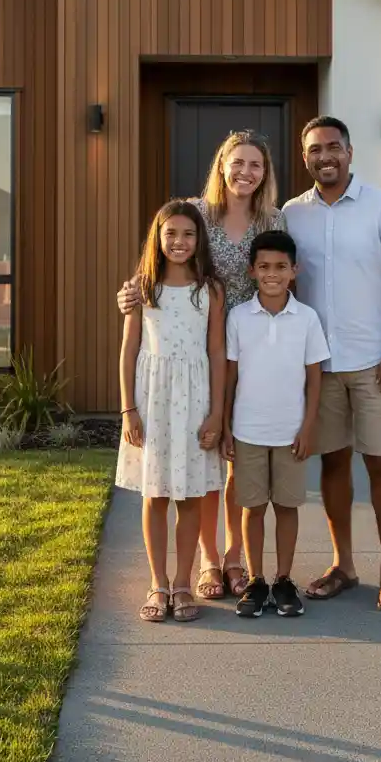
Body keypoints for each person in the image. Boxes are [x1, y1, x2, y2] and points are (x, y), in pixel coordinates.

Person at [117, 130, 284, 601]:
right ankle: (208, 561)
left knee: (235, 452)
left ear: (265, 173)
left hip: (246, 346)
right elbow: (155, 258)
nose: (245, 172)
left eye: (255, 165)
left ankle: (236, 558)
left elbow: (286, 272)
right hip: (192, 349)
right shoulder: (196, 214)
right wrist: (130, 293)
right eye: (237, 162)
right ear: (222, 165)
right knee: (204, 459)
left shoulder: (274, 219)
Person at [282, 116, 381, 612]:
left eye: (334, 147)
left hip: (374, 361)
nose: (326, 156)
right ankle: (344, 564)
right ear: (305, 158)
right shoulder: (291, 215)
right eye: (316, 149)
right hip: (320, 364)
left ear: (350, 152)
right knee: (334, 462)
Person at [116, 199, 226, 623]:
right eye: (171, 234)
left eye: (188, 234)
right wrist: (128, 410)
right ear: (157, 239)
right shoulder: (143, 287)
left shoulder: (209, 289)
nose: (179, 242)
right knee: (156, 494)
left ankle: (184, 582)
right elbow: (129, 351)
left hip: (196, 400)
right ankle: (158, 582)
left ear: (199, 240)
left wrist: (217, 413)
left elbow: (217, 353)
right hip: (153, 401)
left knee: (192, 494)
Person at [222, 230, 330, 618]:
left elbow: (315, 377)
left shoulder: (307, 319)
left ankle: (283, 580)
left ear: (294, 271)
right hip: (248, 432)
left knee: (286, 507)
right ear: (252, 270)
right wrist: (225, 426)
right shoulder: (238, 317)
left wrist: (309, 426)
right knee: (252, 508)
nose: (272, 273)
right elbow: (230, 376)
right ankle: (256, 580)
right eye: (264, 266)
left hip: (291, 433)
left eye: (281, 267)